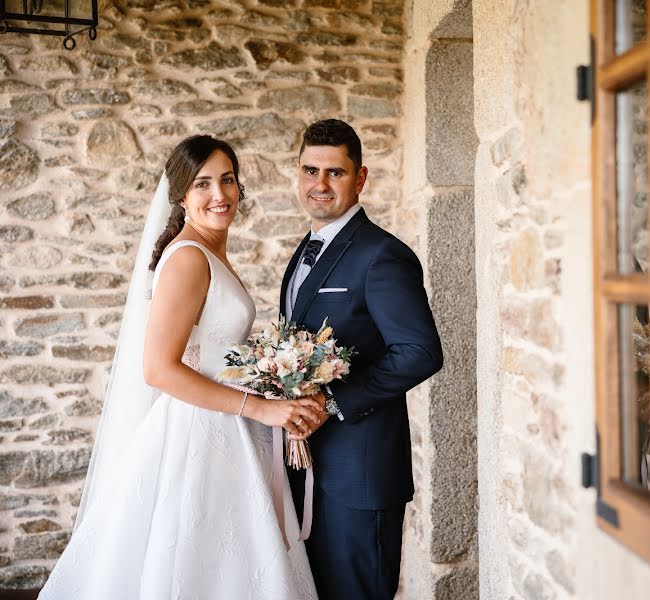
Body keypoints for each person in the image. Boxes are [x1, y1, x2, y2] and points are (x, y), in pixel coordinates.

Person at [39, 135, 321, 599]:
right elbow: (159, 370)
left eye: (227, 180)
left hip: (228, 428)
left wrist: (274, 386)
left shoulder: (206, 251)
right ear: (182, 196)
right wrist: (261, 409)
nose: (219, 195)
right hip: (201, 434)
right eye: (203, 184)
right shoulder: (190, 258)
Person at [281, 119, 443, 599]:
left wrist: (330, 404)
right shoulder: (306, 250)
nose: (320, 185)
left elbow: (420, 352)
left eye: (335, 173)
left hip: (361, 472)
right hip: (310, 467)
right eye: (311, 171)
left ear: (360, 178)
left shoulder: (382, 255)